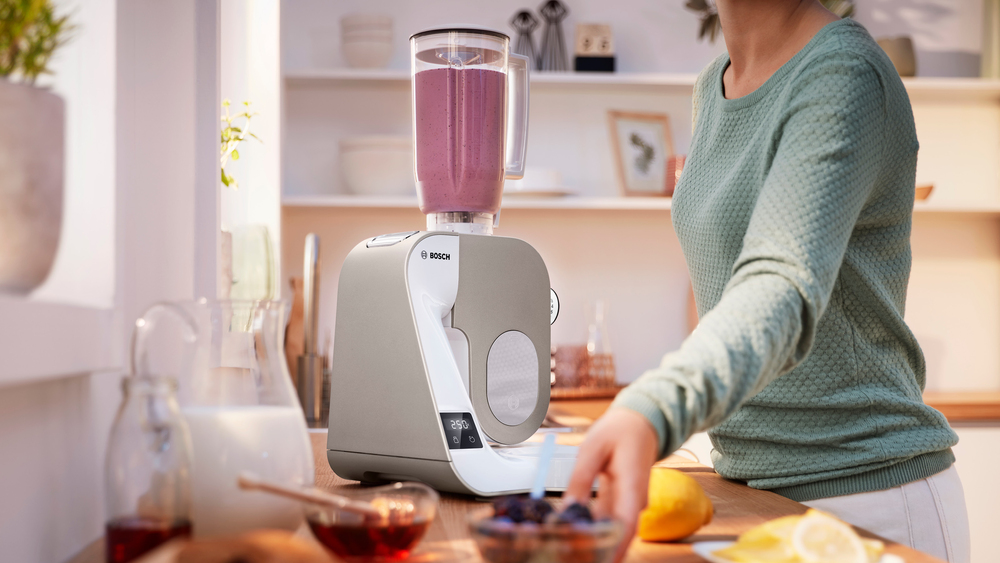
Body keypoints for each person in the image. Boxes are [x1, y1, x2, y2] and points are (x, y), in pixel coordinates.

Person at [563, 1, 971, 562]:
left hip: (866, 495)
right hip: (751, 491)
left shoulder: (845, 72)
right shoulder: (713, 86)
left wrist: (654, 407)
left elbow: (780, 280)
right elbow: (729, 277)